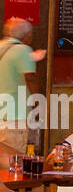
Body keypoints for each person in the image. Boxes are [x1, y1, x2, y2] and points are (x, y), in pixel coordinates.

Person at [0, 18, 43, 151]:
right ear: (27, 35)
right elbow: (29, 78)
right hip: (14, 115)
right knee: (14, 159)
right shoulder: (23, 50)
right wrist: (38, 103)